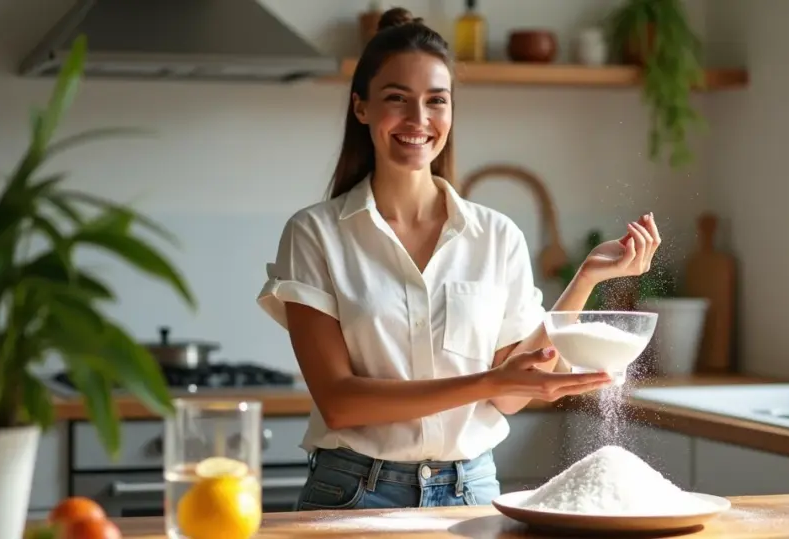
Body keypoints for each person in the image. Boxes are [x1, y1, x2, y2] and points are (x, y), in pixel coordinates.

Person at [257, 7, 662, 511]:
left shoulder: (496, 236)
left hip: (471, 493)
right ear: (361, 108)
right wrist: (491, 380)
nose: (418, 120)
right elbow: (340, 403)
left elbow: (512, 396)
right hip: (354, 493)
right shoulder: (315, 234)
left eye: (436, 101)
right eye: (396, 99)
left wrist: (586, 278)